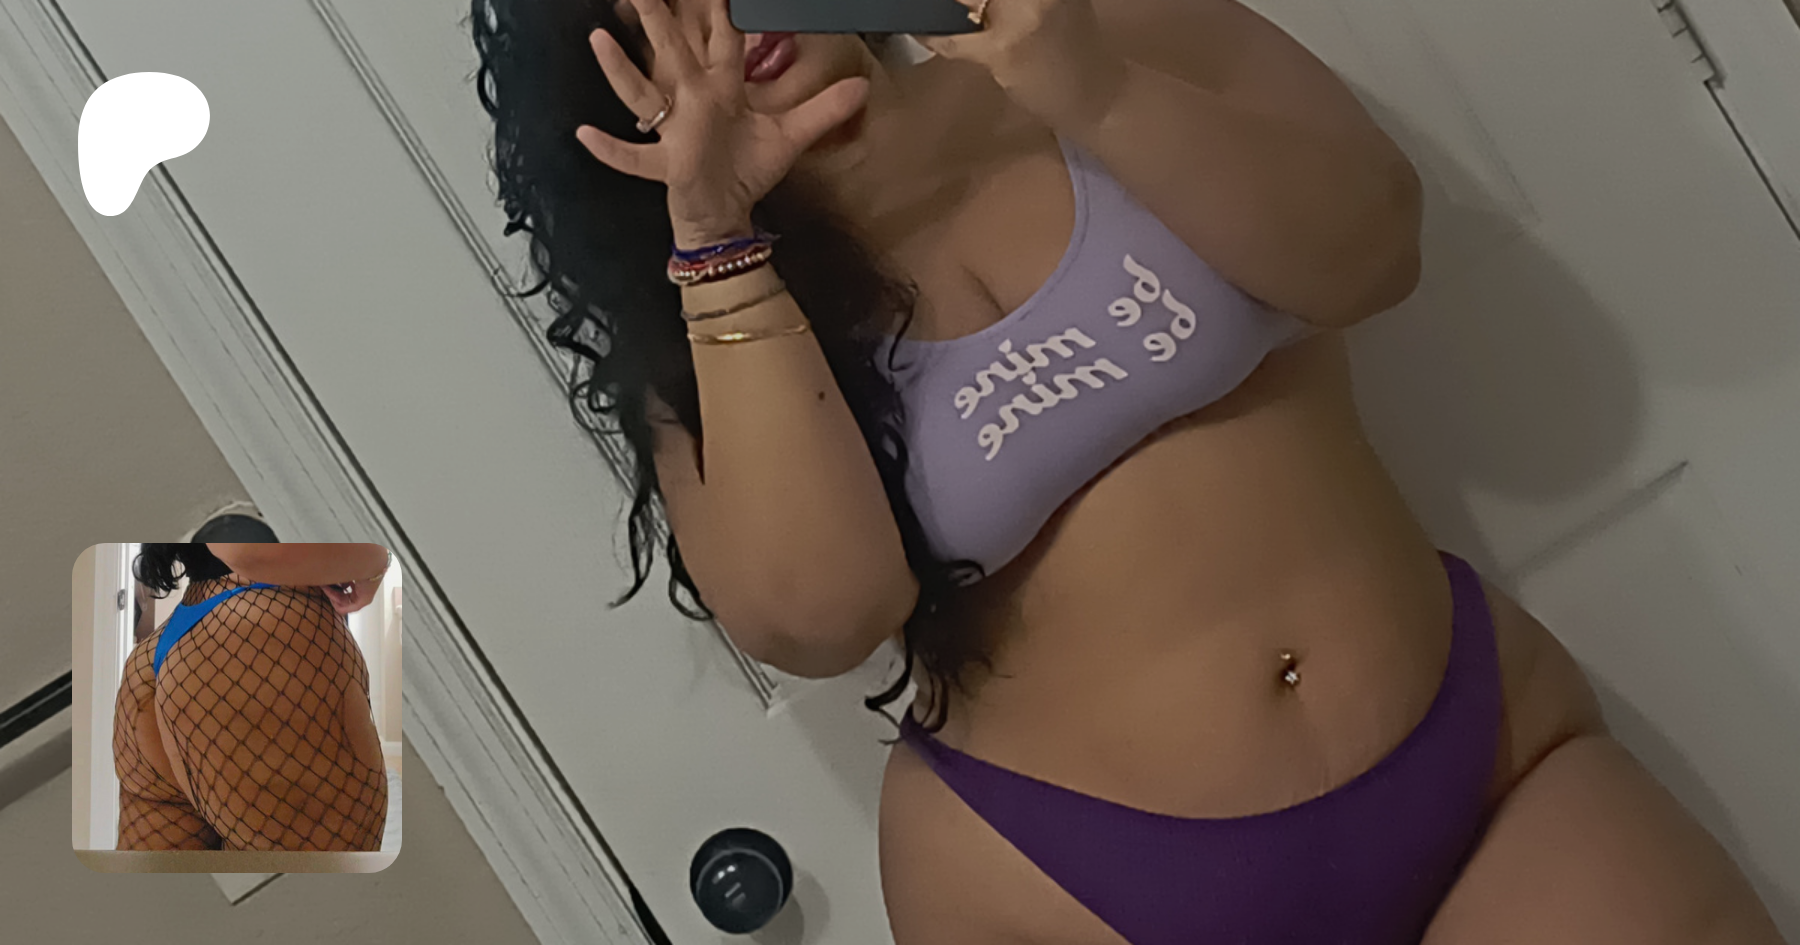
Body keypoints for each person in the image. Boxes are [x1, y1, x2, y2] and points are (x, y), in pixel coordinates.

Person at [470, 0, 1788, 941]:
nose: (721, 8)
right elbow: (822, 612)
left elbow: (1373, 249)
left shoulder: (1103, 30)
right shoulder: (707, 325)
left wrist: (1091, 86)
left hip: (1481, 764)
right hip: (1076, 891)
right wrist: (716, 238)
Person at [113, 542, 390, 851]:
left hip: (175, 640)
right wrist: (374, 561)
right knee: (327, 876)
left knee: (154, 880)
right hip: (263, 634)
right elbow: (243, 550)